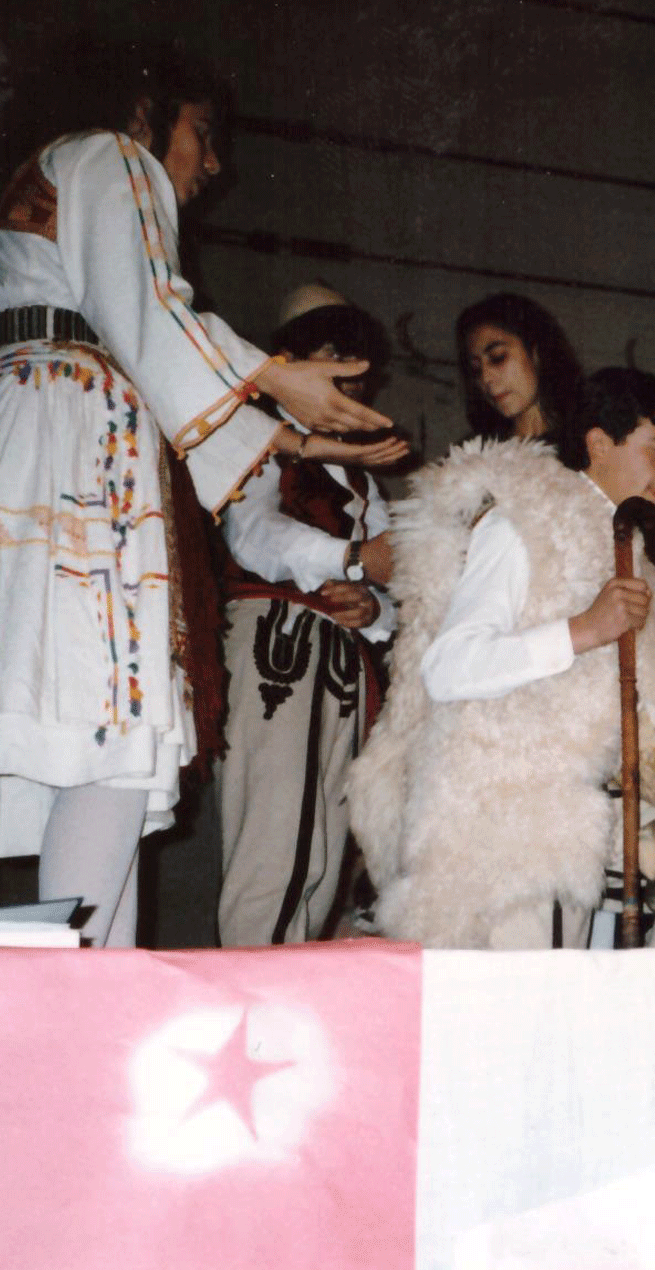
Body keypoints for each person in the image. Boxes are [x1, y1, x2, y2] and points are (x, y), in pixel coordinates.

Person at [0, 44, 402, 946]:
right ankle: (89, 979)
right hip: (72, 447)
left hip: (32, 438)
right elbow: (152, 308)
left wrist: (288, 436)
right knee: (113, 722)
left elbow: (148, 336)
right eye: (201, 132)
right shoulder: (113, 155)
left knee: (90, 720)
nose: (213, 162)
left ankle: (96, 969)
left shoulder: (38, 192)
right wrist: (274, 381)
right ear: (145, 112)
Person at [349, 367, 655, 949]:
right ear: (599, 443)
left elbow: (647, 710)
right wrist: (582, 630)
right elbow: (449, 667)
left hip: (573, 842)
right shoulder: (524, 522)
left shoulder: (636, 562)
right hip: (499, 840)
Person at [215, 283, 399, 946]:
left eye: (356, 365)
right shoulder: (258, 438)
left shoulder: (363, 480)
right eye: (333, 358)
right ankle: (251, 996)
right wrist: (350, 560)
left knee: (321, 853)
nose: (349, 378)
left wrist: (372, 606)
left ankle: (287, 995)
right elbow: (252, 534)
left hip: (341, 662)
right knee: (274, 846)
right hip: (276, 641)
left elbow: (393, 577)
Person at [455, 292, 584, 442]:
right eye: (475, 370)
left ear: (537, 352)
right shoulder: (473, 452)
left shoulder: (590, 438)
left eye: (498, 357)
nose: (485, 378)